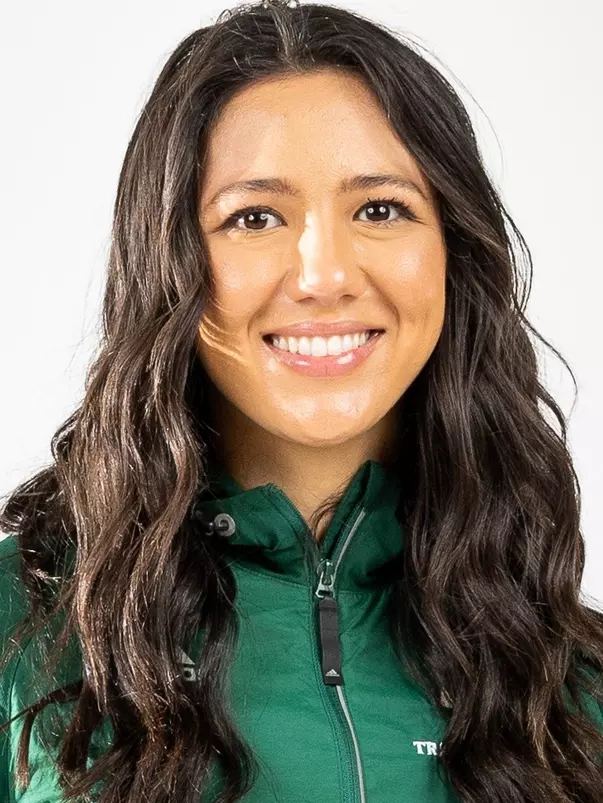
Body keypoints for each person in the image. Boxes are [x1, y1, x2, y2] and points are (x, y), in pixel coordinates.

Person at [1, 0, 602, 800]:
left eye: (379, 209)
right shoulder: (22, 626)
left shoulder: (565, 672)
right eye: (254, 217)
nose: (324, 274)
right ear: (170, 263)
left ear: (453, 253)